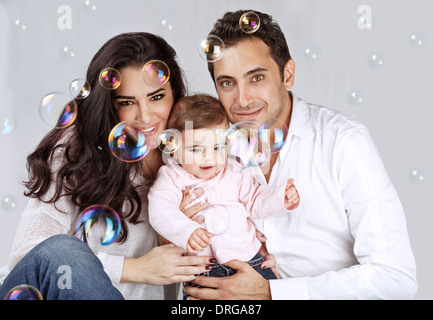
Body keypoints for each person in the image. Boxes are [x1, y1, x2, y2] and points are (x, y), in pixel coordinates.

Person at [182, 10, 418, 300]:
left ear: (288, 74)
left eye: (256, 77)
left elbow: (395, 276)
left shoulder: (343, 142)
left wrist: (272, 293)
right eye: (227, 83)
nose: (242, 99)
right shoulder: (208, 152)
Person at [0, 32, 214, 300]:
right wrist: (134, 269)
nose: (145, 116)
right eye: (127, 102)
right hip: (34, 289)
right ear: (109, 106)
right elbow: (31, 255)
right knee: (62, 250)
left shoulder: (196, 158)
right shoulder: (78, 150)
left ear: (175, 93)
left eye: (156, 97)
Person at [148, 94, 300, 294]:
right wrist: (187, 231)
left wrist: (280, 198)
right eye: (196, 149)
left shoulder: (234, 170)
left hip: (249, 259)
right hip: (204, 270)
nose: (208, 157)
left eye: (217, 147)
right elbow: (161, 211)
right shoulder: (172, 177)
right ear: (172, 148)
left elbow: (255, 200)